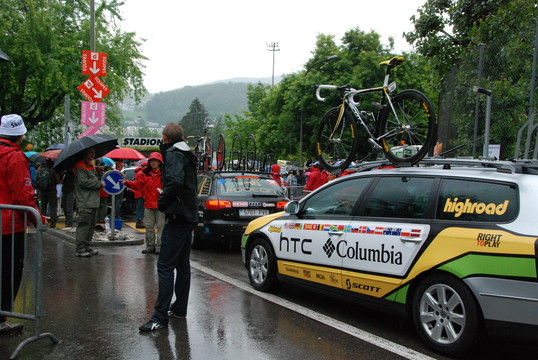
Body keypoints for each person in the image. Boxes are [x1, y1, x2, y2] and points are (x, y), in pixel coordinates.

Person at [139, 123, 197, 332]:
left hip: (177, 215)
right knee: (182, 265)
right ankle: (179, 309)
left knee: (164, 266)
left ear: (164, 138)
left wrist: (162, 202)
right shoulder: (187, 152)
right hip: (188, 215)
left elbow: (174, 181)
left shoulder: (173, 154)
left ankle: (159, 317)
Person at [0, 114, 45, 334]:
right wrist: (37, 218)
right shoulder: (14, 156)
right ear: (20, 135)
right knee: (9, 272)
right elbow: (23, 194)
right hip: (8, 224)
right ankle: (2, 318)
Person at [124, 152, 164, 254]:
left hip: (161, 205)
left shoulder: (164, 174)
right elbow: (138, 185)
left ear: (159, 162)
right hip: (149, 204)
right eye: (152, 161)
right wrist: (126, 182)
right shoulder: (144, 174)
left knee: (161, 227)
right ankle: (150, 246)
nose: (153, 163)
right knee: (149, 226)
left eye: (155, 161)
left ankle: (159, 246)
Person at [73, 147, 105, 257]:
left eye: (94, 152)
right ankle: (80, 249)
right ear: (85, 153)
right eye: (90, 152)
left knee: (91, 225)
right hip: (85, 201)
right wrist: (99, 184)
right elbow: (83, 182)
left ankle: (86, 246)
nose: (93, 154)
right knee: (84, 225)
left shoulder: (90, 165)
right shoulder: (80, 166)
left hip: (93, 200)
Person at [36, 157, 61, 228]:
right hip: (52, 191)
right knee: (53, 207)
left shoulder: (40, 169)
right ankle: (53, 224)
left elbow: (36, 180)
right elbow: (58, 181)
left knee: (43, 207)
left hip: (42, 191)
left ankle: (42, 223)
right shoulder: (54, 169)